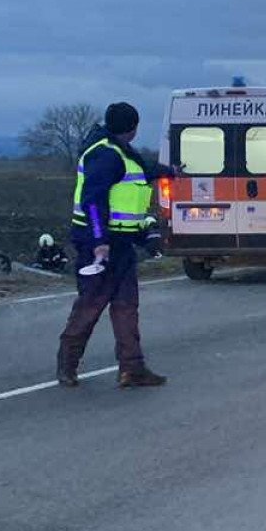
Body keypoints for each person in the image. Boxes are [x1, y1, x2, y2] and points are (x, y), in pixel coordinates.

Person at [56, 102, 173, 389]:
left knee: (126, 306)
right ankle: (67, 364)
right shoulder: (106, 155)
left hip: (120, 245)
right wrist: (99, 243)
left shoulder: (118, 151)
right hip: (100, 245)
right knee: (91, 305)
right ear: (133, 128)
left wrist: (173, 171)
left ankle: (132, 368)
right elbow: (93, 201)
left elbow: (144, 168)